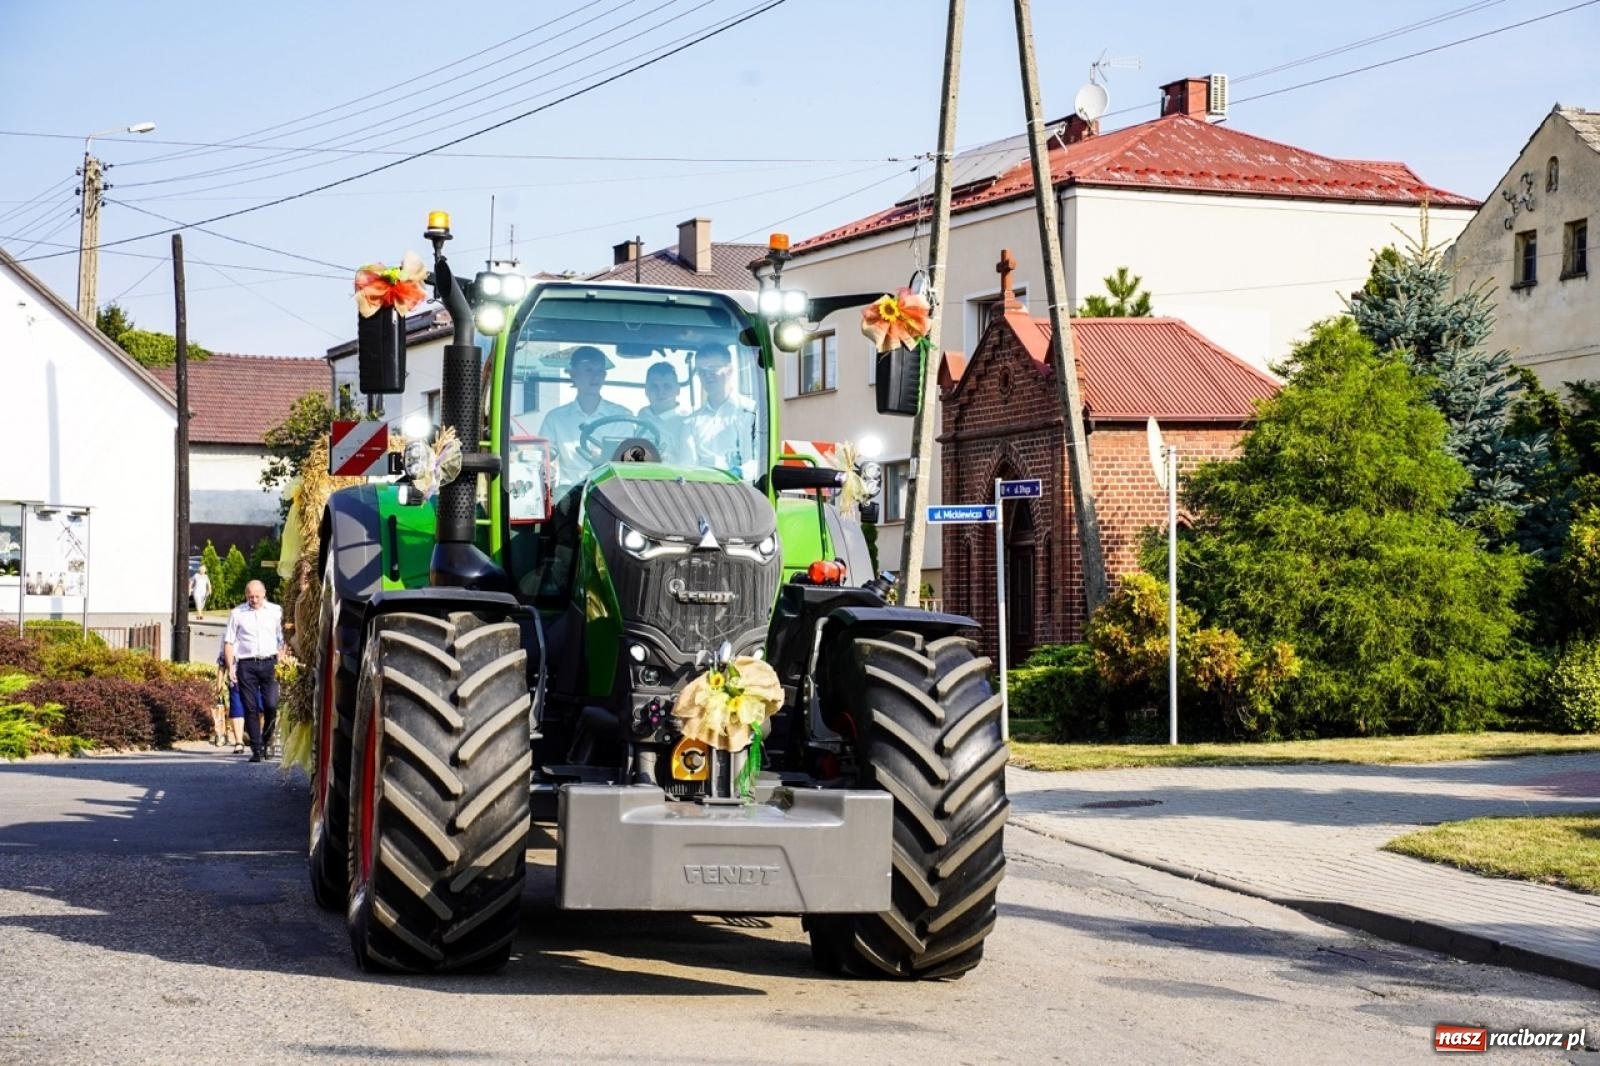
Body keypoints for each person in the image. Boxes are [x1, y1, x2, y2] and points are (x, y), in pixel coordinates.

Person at [539, 345, 630, 485]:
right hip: (569, 493)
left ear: (604, 376)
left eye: (600, 371)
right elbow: (543, 454)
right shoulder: (556, 418)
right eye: (589, 370)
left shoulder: (623, 416)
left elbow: (628, 457)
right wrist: (545, 463)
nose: (595, 377)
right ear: (573, 374)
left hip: (612, 489)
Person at [223, 580, 285, 763]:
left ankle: (266, 740)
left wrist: (282, 658)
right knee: (249, 707)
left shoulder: (276, 611)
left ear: (264, 593)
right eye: (250, 597)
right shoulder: (237, 613)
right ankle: (256, 749)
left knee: (271, 705)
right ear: (246, 595)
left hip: (270, 662)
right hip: (246, 664)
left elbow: (283, 638)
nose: (254, 600)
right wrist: (230, 666)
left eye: (257, 596)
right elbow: (229, 641)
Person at [685, 347, 757, 477]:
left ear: (729, 371)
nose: (707, 376)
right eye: (701, 371)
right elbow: (687, 466)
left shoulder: (751, 411)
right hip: (702, 490)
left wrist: (739, 473)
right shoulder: (692, 421)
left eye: (712, 369)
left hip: (744, 492)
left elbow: (760, 461)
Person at [635, 361, 692, 465]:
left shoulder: (688, 421)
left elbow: (688, 464)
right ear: (646, 390)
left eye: (667, 386)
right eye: (654, 387)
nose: (660, 392)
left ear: (678, 390)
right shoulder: (642, 414)